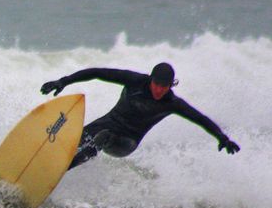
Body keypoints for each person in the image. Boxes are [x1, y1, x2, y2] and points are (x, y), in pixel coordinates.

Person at [41, 63, 240, 169]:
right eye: (158, 84)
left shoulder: (172, 103)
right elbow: (97, 72)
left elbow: (200, 119)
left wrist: (222, 137)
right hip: (109, 122)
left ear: (171, 85)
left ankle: (62, 171)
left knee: (102, 137)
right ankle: (44, 162)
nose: (160, 90)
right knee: (74, 137)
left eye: (165, 86)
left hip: (127, 141)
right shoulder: (135, 81)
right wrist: (63, 81)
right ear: (151, 79)